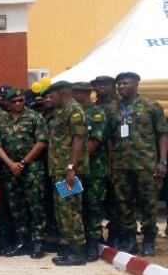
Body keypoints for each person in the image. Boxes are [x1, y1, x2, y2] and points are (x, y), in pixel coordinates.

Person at [106, 72, 168, 256]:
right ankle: (130, 239)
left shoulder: (151, 106)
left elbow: (163, 134)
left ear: (136, 85)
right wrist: (112, 159)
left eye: (125, 83)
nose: (120, 87)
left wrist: (162, 161)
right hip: (120, 166)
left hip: (146, 165)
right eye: (119, 84)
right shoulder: (113, 109)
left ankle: (149, 240)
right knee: (124, 204)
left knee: (148, 204)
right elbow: (109, 136)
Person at [0, 88, 49, 258]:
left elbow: (41, 142)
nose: (18, 103)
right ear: (8, 103)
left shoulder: (34, 117)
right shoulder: (2, 122)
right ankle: (23, 241)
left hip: (32, 169)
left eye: (21, 100)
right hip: (11, 171)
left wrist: (24, 162)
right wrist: (11, 164)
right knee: (17, 207)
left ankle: (38, 242)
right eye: (15, 101)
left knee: (36, 205)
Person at [47, 81, 89, 266]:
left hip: (68, 172)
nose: (49, 99)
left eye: (52, 95)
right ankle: (68, 247)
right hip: (59, 170)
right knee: (62, 210)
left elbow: (78, 139)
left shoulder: (74, 109)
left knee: (71, 210)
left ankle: (78, 251)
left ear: (62, 92)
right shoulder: (62, 111)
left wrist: (71, 167)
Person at [72, 81, 107, 262]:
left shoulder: (96, 113)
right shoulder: (73, 112)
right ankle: (80, 241)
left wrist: (75, 161)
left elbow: (94, 142)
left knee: (93, 205)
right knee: (78, 205)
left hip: (93, 170)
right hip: (75, 170)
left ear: (85, 93)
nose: (74, 96)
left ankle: (93, 242)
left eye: (77, 93)